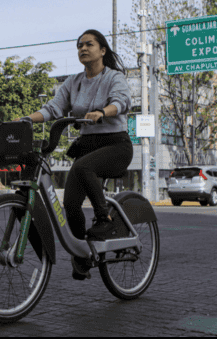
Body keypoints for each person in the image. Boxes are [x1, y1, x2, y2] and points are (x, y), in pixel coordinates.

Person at [16, 29, 133, 280]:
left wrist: (103, 112)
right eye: (79, 45)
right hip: (88, 146)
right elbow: (53, 108)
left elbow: (122, 101)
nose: (83, 49)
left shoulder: (114, 77)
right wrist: (26, 119)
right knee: (70, 204)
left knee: (82, 167)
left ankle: (104, 219)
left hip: (116, 145)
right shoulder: (74, 82)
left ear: (102, 50)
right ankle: (82, 255)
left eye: (89, 44)